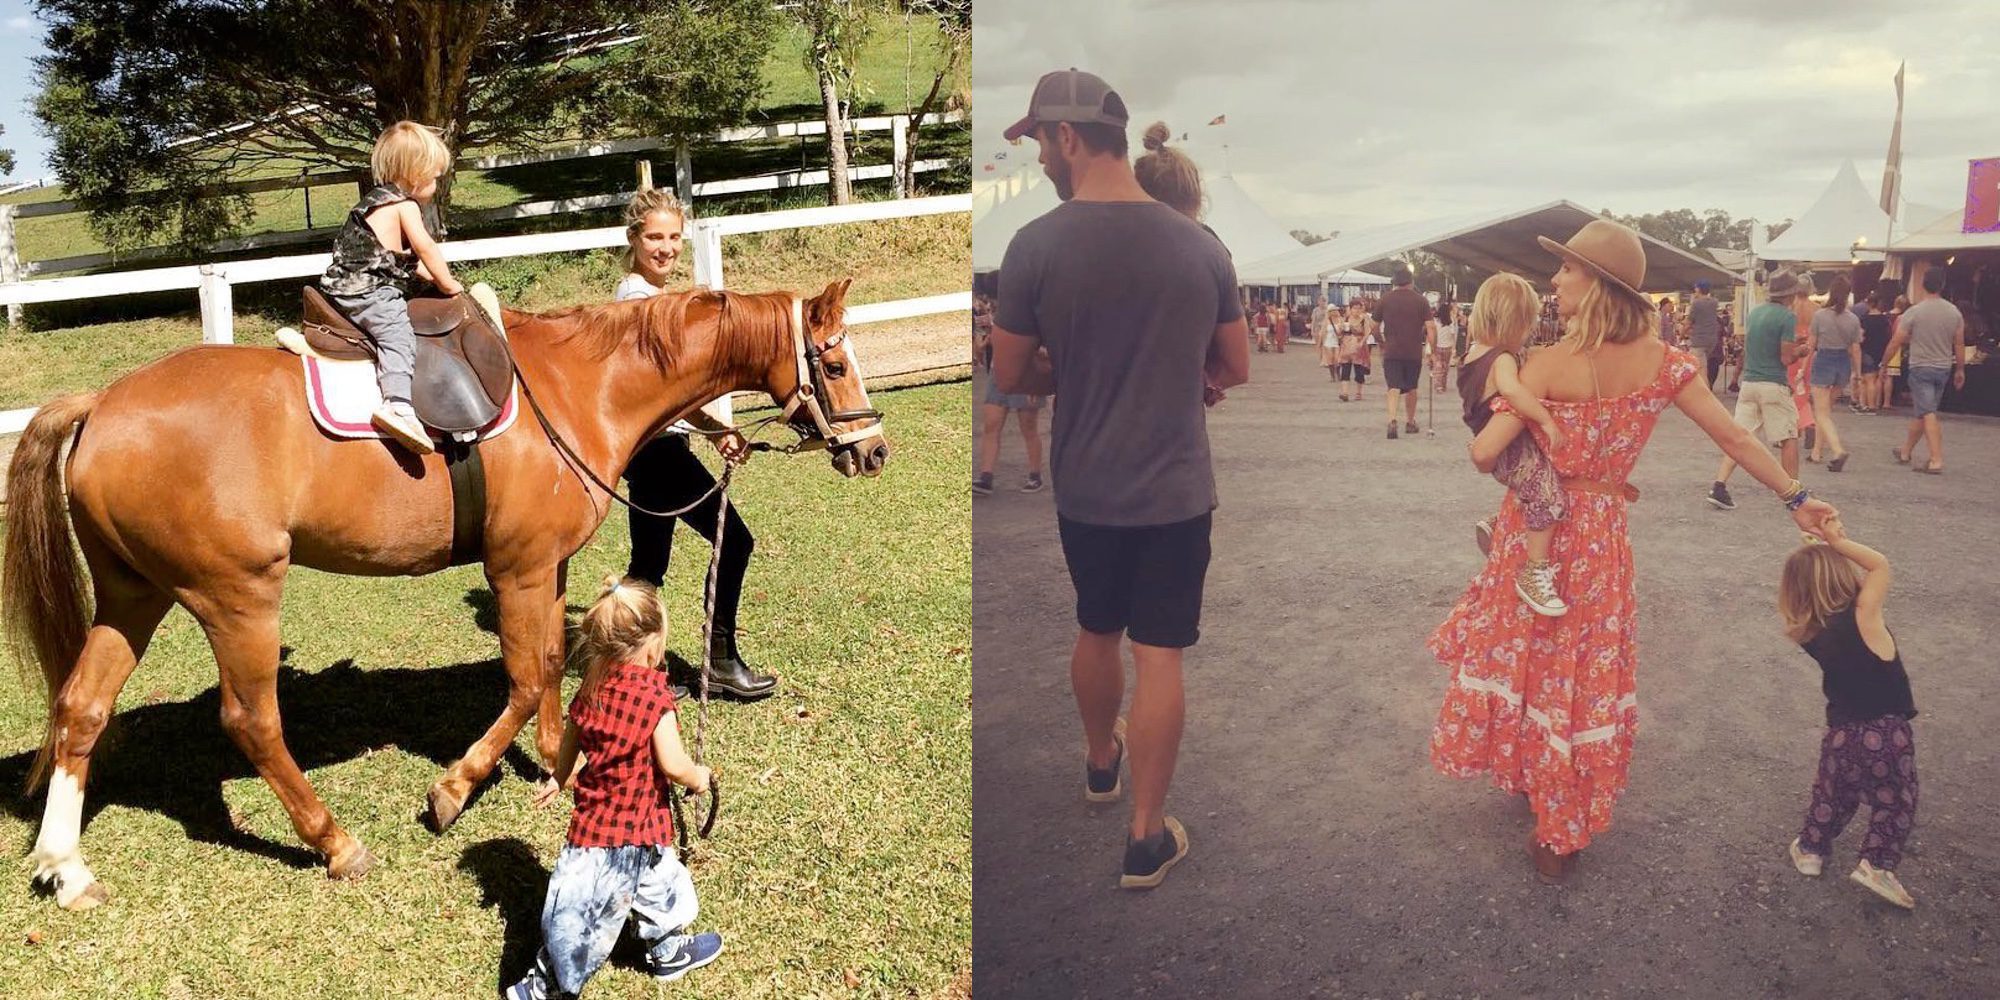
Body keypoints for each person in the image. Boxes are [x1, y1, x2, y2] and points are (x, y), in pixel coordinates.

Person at [1430, 220, 1836, 882]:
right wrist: (1797, 497)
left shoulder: (1548, 362)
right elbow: (1734, 439)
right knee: (1582, 669)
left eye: (1567, 270)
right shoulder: (1667, 365)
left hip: (1536, 528)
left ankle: (1547, 801)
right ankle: (1560, 827)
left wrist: (1507, 406)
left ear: (1596, 285)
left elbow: (1486, 452)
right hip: (1601, 536)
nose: (1555, 280)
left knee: (1532, 654)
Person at [991, 68, 1250, 890]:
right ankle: (1145, 837)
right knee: (1161, 655)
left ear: (1067, 137)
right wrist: (1184, 373)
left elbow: (1010, 372)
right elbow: (1235, 365)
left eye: (1038, 140)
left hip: (1088, 486)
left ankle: (1102, 760)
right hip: (1175, 488)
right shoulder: (1200, 245)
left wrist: (1071, 369)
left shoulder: (1034, 245)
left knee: (1097, 629)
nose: (1037, 159)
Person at [508, 577, 723, 999]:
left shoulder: (591, 688)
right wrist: (698, 776)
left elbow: (570, 738)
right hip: (612, 837)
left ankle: (667, 950)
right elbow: (672, 765)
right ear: (651, 647)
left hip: (631, 827)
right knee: (579, 916)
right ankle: (544, 984)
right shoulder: (654, 698)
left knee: (662, 883)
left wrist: (559, 775)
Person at [614, 188, 778, 700]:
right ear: (634, 238)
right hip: (656, 451)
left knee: (647, 566)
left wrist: (714, 429)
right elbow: (667, 389)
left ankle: (629, 670)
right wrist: (715, 428)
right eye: (655, 237)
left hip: (656, 450)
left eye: (674, 238)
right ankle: (719, 662)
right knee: (735, 542)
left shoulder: (652, 296)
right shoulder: (637, 300)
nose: (665, 247)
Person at [1780, 520, 1919, 910]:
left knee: (1832, 795)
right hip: (1887, 732)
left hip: (1841, 733)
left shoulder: (1809, 631)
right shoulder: (1865, 616)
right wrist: (1837, 543)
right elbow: (1879, 566)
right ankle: (1876, 865)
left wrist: (1815, 551)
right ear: (1843, 573)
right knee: (1895, 800)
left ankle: (1810, 851)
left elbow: (1817, 585)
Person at [319, 120, 463, 455]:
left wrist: (426, 276)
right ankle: (397, 403)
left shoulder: (375, 201)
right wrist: (450, 284)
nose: (437, 182)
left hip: (343, 285)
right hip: (366, 290)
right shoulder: (405, 206)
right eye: (435, 175)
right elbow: (427, 248)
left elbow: (403, 260)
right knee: (397, 332)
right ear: (416, 174)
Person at [1457, 273, 1570, 616]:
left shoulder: (1473, 354)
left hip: (1493, 445)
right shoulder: (1501, 359)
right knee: (1549, 495)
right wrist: (1545, 419)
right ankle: (1534, 572)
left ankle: (1500, 524)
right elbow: (1512, 391)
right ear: (1515, 321)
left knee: (1533, 488)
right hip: (1510, 449)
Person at [1707, 269, 1808, 511]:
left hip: (1749, 383)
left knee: (1739, 438)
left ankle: (1719, 486)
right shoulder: (1787, 317)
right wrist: (1800, 351)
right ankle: (1793, 494)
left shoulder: (1755, 313)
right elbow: (1785, 358)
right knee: (1788, 437)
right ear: (1791, 294)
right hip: (1773, 384)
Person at [1881, 264, 1967, 474]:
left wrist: (1884, 363)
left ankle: (1936, 459)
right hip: (1943, 367)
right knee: (1923, 411)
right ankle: (1905, 451)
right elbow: (1959, 343)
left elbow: (1896, 341)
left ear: (1922, 285)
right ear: (1943, 285)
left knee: (1927, 412)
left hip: (1921, 367)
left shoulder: (1914, 312)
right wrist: (1960, 370)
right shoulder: (1954, 312)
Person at [1806, 275, 1861, 470]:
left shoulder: (1820, 316)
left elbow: (1811, 345)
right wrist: (1858, 373)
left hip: (1823, 361)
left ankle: (1838, 450)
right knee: (1826, 412)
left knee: (1820, 413)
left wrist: (1803, 369)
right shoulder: (1853, 319)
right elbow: (1855, 348)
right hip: (1842, 364)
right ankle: (1816, 452)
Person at [1373, 266, 1434, 438]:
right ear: (1412, 282)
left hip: (1392, 351)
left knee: (1393, 386)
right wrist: (1432, 350)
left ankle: (1392, 420)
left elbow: (1373, 326)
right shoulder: (1421, 301)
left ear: (1394, 282)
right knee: (1411, 387)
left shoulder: (1385, 300)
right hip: (1413, 352)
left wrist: (1381, 342)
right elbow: (1431, 327)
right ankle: (1410, 421)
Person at [1856, 290, 1892, 414]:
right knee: (1877, 378)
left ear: (1869, 303)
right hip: (1880, 351)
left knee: (1867, 380)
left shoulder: (1864, 319)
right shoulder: (1884, 319)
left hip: (1867, 351)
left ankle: (1868, 406)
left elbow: (1860, 336)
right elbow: (1888, 336)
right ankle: (1875, 404)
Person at [1686, 279, 1722, 379]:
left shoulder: (1696, 303)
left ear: (1699, 289)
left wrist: (1682, 333)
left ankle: (1703, 390)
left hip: (1699, 340)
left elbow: (1689, 322)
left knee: (1699, 370)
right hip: (1711, 340)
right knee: (1703, 364)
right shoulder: (1714, 302)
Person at [1337, 303, 1370, 401]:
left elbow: (1367, 332)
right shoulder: (1345, 320)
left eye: (1359, 308)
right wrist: (1340, 329)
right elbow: (1339, 334)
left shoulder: (1364, 320)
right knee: (1345, 369)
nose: (1357, 310)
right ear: (1350, 309)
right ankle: (1345, 393)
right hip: (1346, 346)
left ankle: (1358, 392)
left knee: (1359, 370)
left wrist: (1362, 342)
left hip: (1358, 347)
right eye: (1355, 308)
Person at [1430, 297, 1458, 393]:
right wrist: (1454, 348)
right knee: (1445, 368)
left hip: (1438, 346)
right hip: (1448, 347)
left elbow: (1433, 335)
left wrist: (1431, 346)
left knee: (1438, 367)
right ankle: (1443, 385)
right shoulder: (1450, 323)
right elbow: (1453, 336)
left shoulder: (1436, 322)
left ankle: (1438, 386)